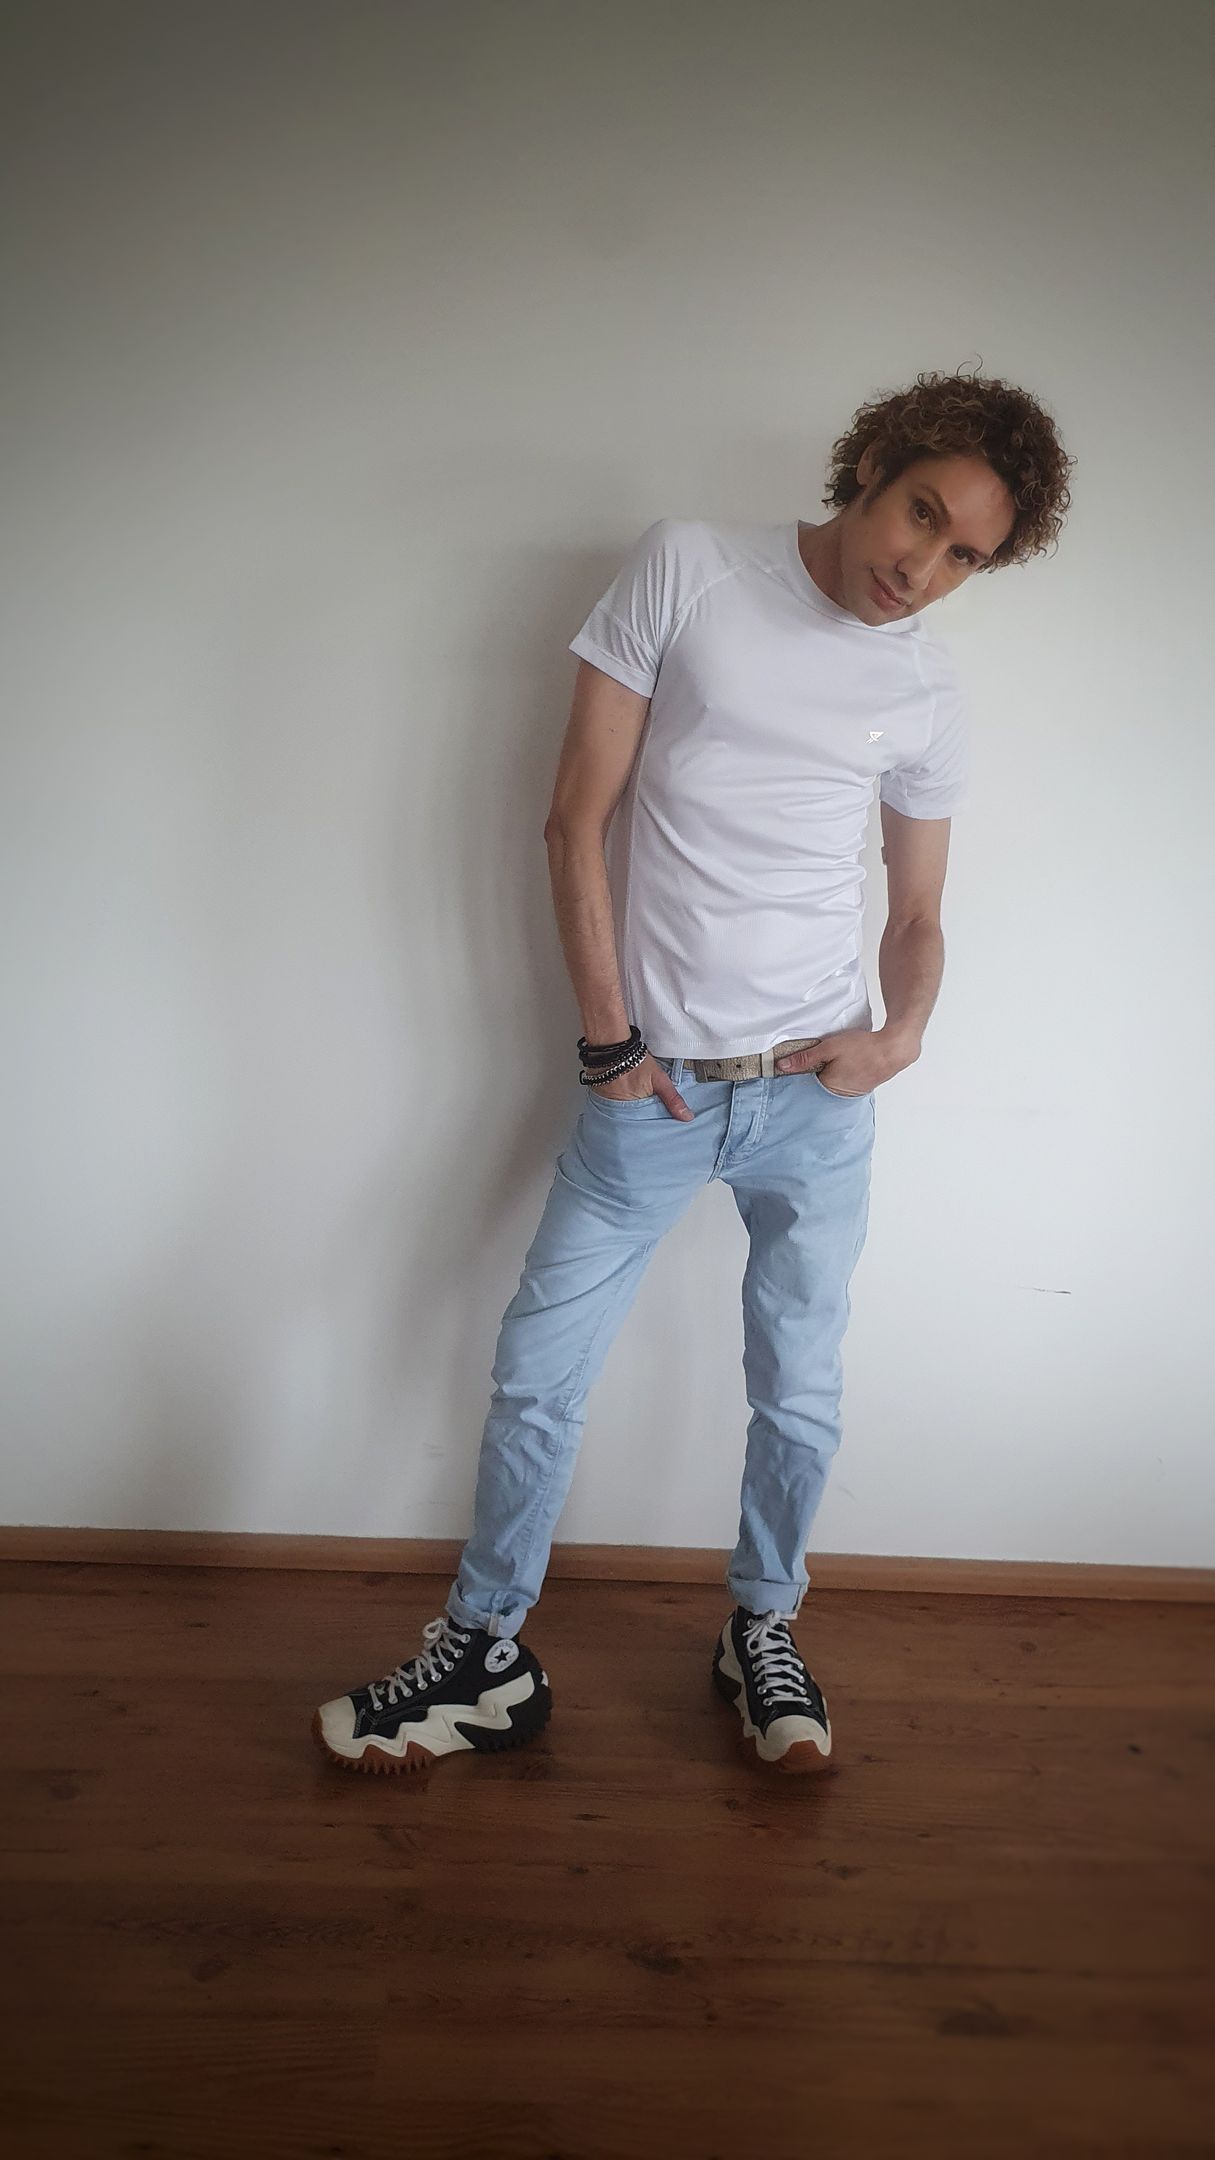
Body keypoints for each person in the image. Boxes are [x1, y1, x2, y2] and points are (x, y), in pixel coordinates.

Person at [313, 366, 1073, 1778]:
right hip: (652, 1091)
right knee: (537, 1375)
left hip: (815, 1101)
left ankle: (762, 1628)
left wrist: (900, 1037)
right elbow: (574, 820)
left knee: (800, 1387)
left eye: (967, 555)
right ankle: (486, 1654)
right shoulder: (689, 569)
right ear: (873, 468)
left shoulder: (925, 689)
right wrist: (610, 1043)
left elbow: (917, 913)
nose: (924, 568)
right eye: (922, 514)